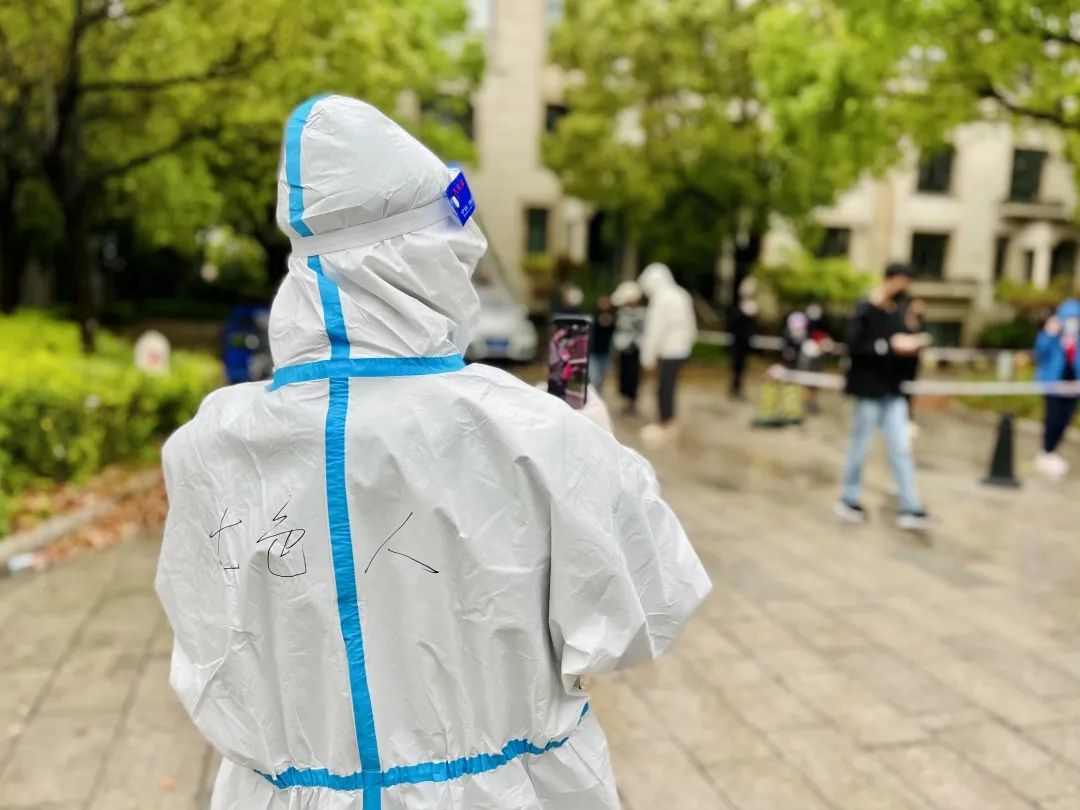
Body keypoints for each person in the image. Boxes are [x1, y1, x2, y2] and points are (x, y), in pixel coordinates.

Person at [155, 95, 710, 810]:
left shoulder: (208, 446)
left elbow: (208, 653)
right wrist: (593, 449)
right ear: (431, 257)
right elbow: (644, 613)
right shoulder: (531, 430)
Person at [835, 262, 934, 531]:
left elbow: (908, 345)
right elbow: (855, 346)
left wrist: (914, 338)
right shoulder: (865, 308)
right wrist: (888, 346)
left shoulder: (900, 312)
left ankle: (911, 506)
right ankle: (848, 497)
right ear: (890, 279)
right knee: (860, 445)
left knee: (901, 448)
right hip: (869, 390)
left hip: (893, 390)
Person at [639, 263, 698, 440]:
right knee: (668, 386)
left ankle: (666, 422)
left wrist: (647, 356)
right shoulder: (682, 294)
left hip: (668, 350)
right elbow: (691, 324)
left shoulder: (661, 298)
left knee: (664, 387)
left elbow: (655, 329)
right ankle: (668, 419)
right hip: (681, 349)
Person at [1034, 299, 1080, 479]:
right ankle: (1046, 453)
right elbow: (1040, 353)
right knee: (1052, 419)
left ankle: (1052, 453)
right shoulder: (1052, 337)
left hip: (1074, 387)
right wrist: (1049, 333)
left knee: (1064, 421)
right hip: (1053, 385)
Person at [611, 280, 646, 415]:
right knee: (624, 377)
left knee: (634, 377)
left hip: (636, 350)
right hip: (624, 350)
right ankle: (626, 401)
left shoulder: (642, 313)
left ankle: (632, 402)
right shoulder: (621, 313)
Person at [727, 288, 758, 400]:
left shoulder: (749, 316)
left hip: (744, 346)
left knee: (742, 369)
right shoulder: (737, 314)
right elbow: (731, 326)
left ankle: (738, 388)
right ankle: (734, 388)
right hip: (737, 346)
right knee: (736, 369)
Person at [589, 295, 616, 391]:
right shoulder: (594, 316)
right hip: (593, 352)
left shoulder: (613, 317)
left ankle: (598, 396)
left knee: (601, 378)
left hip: (605, 352)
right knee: (594, 378)